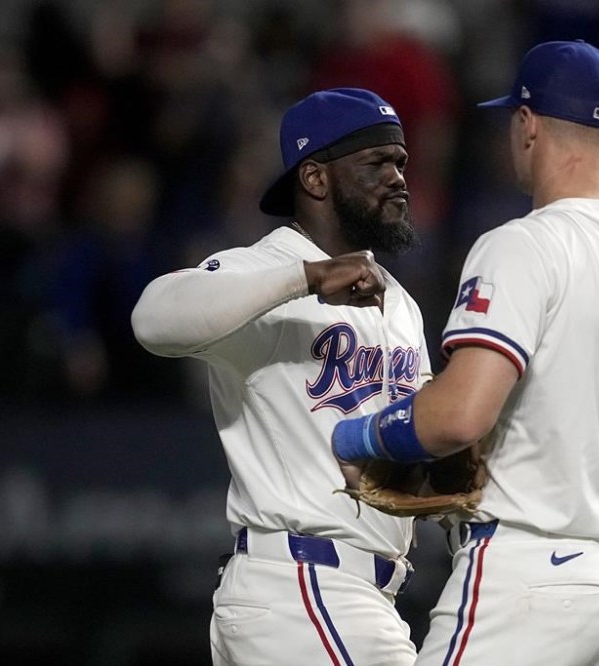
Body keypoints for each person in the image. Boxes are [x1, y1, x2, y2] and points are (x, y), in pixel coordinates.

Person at [330, 41, 599, 665]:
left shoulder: (521, 246)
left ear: (527, 125)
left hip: (527, 579)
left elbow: (459, 417)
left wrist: (358, 436)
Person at [131, 88, 431, 666]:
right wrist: (305, 278)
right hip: (305, 583)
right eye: (376, 163)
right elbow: (152, 318)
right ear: (315, 179)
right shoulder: (268, 268)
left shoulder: (401, 302)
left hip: (356, 595)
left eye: (401, 163)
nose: (398, 178)